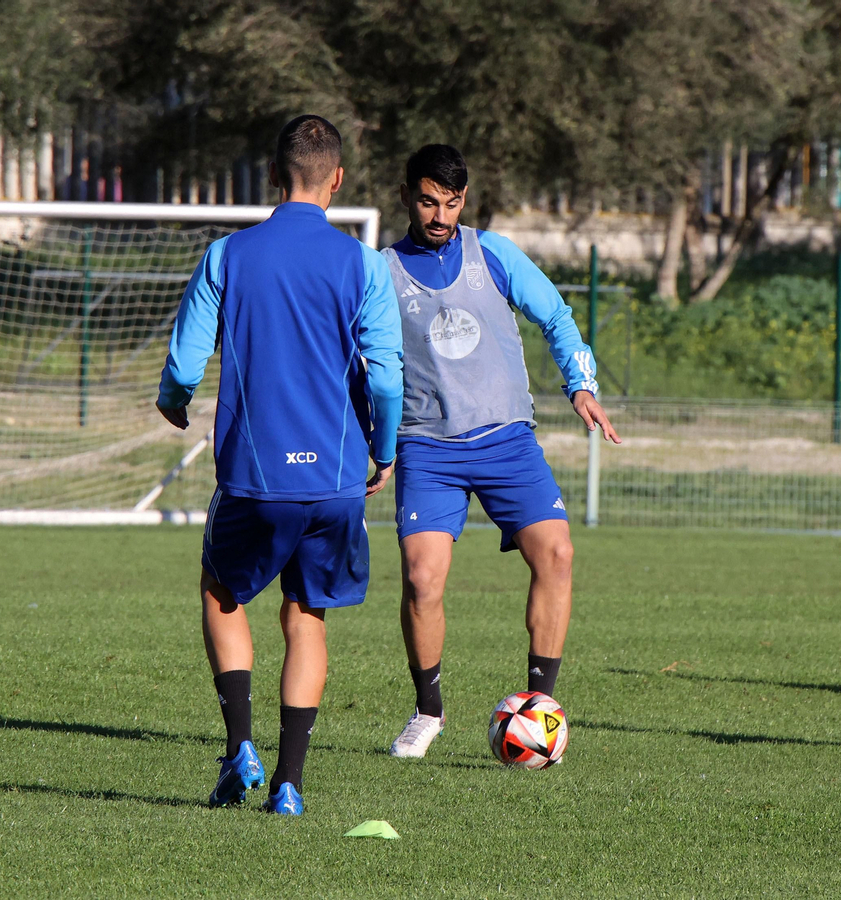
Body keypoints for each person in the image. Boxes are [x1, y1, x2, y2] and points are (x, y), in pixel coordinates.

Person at [157, 115, 403, 815]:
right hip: (335, 481)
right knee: (307, 616)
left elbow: (182, 363)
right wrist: (383, 450)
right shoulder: (362, 263)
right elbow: (386, 379)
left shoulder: (227, 255)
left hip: (254, 478)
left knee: (221, 593)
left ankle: (241, 748)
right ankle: (290, 785)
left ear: (271, 174)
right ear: (339, 180)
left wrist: (174, 400)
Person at [382, 145, 621, 759]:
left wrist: (581, 384)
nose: (441, 214)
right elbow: (363, 361)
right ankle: (428, 710)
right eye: (430, 201)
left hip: (507, 441)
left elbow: (557, 317)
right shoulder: (378, 270)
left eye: (453, 202)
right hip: (427, 446)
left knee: (558, 553)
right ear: (407, 194)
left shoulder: (493, 253)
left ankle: (539, 706)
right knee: (421, 580)